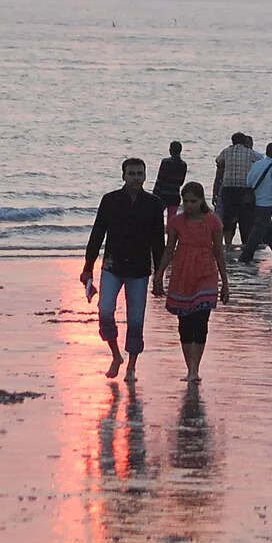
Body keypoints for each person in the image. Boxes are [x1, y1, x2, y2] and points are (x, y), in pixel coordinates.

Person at [82, 158, 167, 381]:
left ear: (145, 176)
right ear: (123, 176)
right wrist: (88, 267)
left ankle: (131, 366)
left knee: (136, 319)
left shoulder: (154, 203)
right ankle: (116, 355)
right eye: (132, 174)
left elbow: (158, 242)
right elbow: (97, 234)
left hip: (140, 270)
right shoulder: (110, 200)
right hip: (112, 266)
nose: (136, 178)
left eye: (140, 174)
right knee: (105, 312)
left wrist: (160, 275)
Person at [154, 181, 230, 384]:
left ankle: (196, 366)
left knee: (200, 321)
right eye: (186, 201)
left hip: (206, 273)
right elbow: (169, 250)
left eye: (193, 201)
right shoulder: (177, 222)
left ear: (201, 200)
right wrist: (158, 275)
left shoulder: (213, 222)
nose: (189, 205)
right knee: (184, 323)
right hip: (182, 274)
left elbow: (219, 252)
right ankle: (190, 367)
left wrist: (225, 283)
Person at [213, 134, 261, 250]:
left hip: (228, 189)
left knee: (229, 218)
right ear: (244, 141)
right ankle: (246, 245)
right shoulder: (249, 152)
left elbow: (218, 161)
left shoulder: (226, 151)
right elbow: (259, 162)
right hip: (245, 189)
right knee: (246, 218)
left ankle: (228, 244)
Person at [152, 141, 188, 217]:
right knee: (172, 218)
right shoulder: (183, 164)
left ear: (170, 150)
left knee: (157, 216)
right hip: (174, 195)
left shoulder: (165, 162)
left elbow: (160, 179)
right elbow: (181, 182)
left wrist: (154, 193)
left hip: (163, 194)